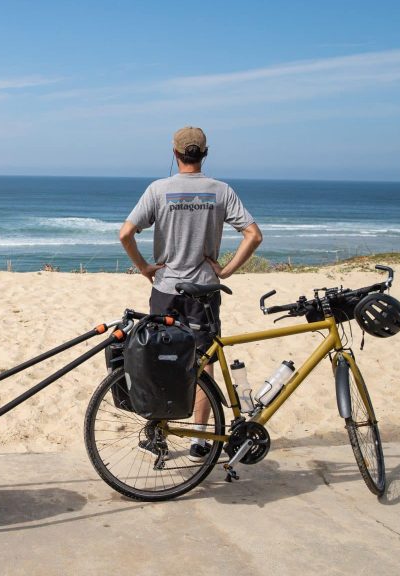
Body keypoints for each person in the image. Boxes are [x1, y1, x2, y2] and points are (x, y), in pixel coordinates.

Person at [119, 126, 263, 462]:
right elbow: (254, 236)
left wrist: (143, 267)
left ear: (175, 153)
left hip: (165, 289)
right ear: (205, 154)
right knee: (204, 361)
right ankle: (199, 438)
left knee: (158, 358)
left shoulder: (159, 190)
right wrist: (225, 271)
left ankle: (159, 433)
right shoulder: (220, 191)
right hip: (204, 292)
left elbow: (125, 233)